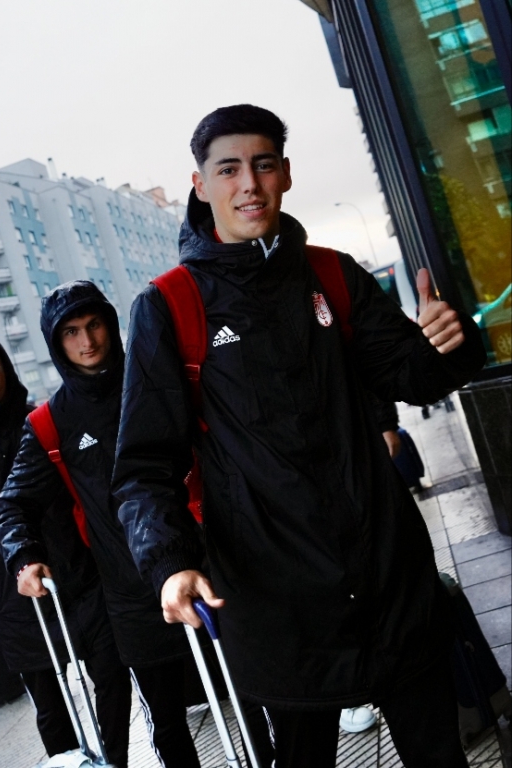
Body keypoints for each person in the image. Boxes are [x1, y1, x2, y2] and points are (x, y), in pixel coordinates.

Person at [112, 104, 486, 768]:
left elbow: (412, 376)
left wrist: (448, 341)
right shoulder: (168, 306)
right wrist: (169, 563)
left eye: (261, 165)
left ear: (284, 174)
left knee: (439, 755)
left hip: (390, 582)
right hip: (275, 606)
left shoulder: (333, 275)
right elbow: (144, 466)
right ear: (200, 185)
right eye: (228, 169)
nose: (247, 184)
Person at [0, 281, 202, 768]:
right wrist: (23, 557)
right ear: (55, 343)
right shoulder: (51, 422)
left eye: (94, 325)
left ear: (110, 324)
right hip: (129, 599)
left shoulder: (151, 380)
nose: (87, 341)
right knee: (169, 723)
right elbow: (12, 505)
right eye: (71, 332)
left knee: (248, 693)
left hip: (199, 567)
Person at [0, 334, 131, 764]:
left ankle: (114, 760)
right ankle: (72, 762)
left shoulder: (45, 421)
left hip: (80, 580)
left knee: (113, 675)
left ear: (6, 367)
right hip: (14, 600)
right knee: (51, 710)